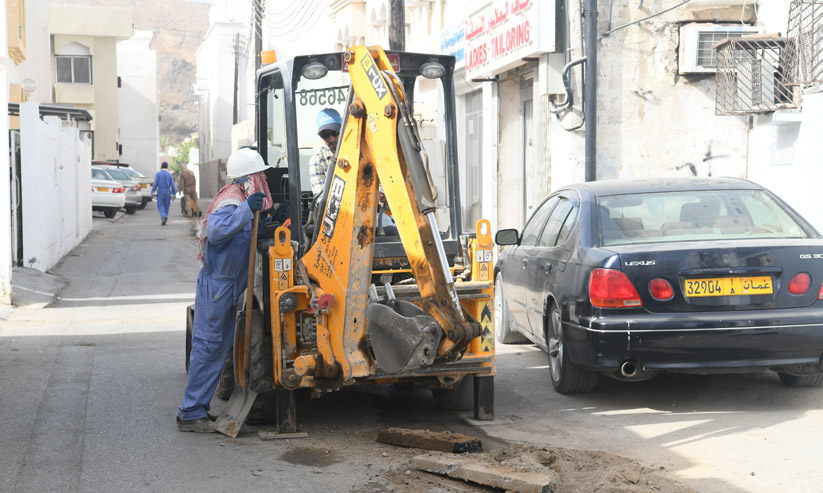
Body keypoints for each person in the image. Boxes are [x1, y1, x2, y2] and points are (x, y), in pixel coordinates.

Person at [177, 147, 272, 433]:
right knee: (208, 348)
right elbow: (218, 232)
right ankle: (190, 412)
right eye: (259, 174)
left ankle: (196, 409)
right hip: (218, 286)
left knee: (216, 349)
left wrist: (264, 221)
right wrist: (247, 210)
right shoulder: (232, 201)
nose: (262, 179)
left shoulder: (239, 198)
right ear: (248, 177)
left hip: (226, 286)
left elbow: (241, 236)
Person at [308, 108, 397, 235]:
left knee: (393, 234)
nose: (331, 139)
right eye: (325, 135)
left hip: (370, 214)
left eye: (335, 133)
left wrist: (381, 194)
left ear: (344, 129)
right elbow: (323, 201)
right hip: (337, 220)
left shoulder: (362, 153)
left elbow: (379, 178)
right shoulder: (318, 160)